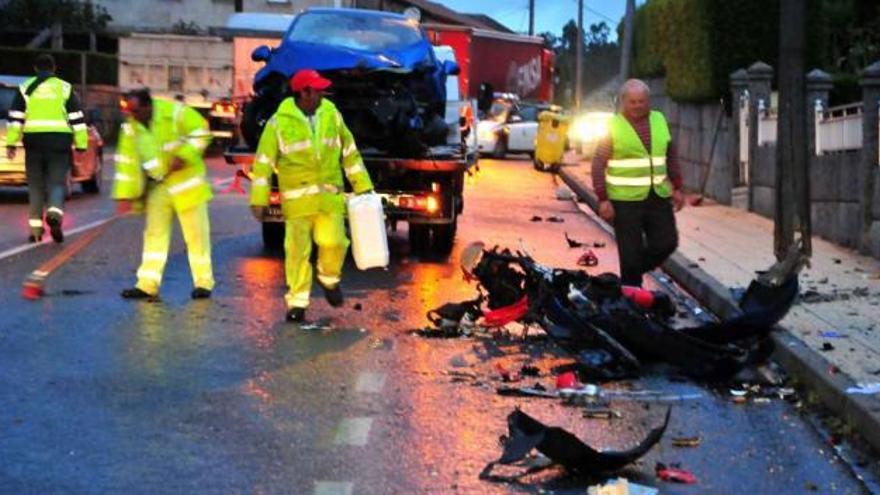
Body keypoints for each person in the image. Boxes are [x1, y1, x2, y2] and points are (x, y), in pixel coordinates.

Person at [250, 69, 374, 323]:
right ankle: (297, 302)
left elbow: (349, 152)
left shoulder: (331, 114)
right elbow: (263, 163)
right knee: (297, 253)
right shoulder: (279, 123)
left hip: (329, 198)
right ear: (304, 93)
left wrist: (363, 186)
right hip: (298, 203)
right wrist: (259, 199)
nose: (322, 93)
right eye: (317, 89)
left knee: (335, 242)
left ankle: (329, 279)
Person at [113, 88, 215, 300]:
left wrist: (183, 156)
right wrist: (125, 195)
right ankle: (147, 284)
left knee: (196, 236)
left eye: (136, 111)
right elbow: (127, 163)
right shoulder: (131, 128)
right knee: (154, 236)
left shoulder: (175, 113)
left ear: (148, 106)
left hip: (187, 184)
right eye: (129, 111)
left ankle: (203, 282)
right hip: (159, 187)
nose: (133, 116)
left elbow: (202, 132)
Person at [591, 79, 685, 287]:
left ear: (648, 101)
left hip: (657, 195)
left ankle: (633, 271)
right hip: (624, 201)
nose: (637, 106)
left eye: (641, 101)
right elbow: (598, 163)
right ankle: (631, 301)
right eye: (632, 101)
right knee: (630, 253)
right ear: (624, 101)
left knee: (667, 242)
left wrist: (677, 186)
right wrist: (603, 199)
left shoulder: (659, 119)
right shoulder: (613, 126)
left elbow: (670, 154)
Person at [5, 54, 88, 243]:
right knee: (57, 182)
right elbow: (76, 118)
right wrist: (81, 144)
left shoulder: (26, 87)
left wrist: (11, 143)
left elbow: (16, 117)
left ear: (35, 69)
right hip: (59, 141)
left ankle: (35, 231)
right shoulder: (65, 88)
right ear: (54, 69)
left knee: (35, 185)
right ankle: (55, 214)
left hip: (34, 141)